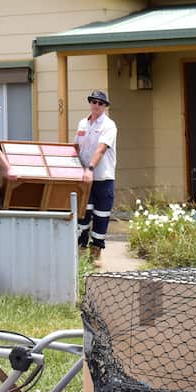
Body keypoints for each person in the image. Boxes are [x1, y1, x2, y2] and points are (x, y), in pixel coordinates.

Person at [76, 89, 117, 263]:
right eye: (94, 102)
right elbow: (76, 147)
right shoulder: (82, 124)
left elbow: (101, 149)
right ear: (90, 103)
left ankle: (96, 253)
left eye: (100, 103)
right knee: (83, 216)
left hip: (103, 178)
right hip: (85, 179)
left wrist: (90, 168)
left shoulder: (109, 125)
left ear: (105, 106)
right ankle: (81, 250)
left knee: (101, 216)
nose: (96, 105)